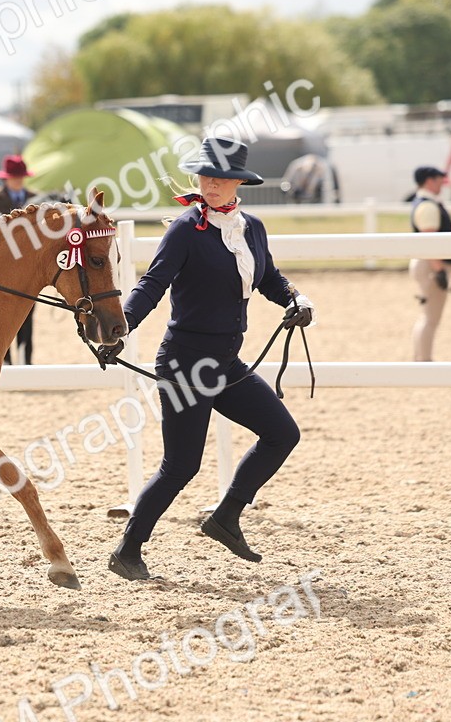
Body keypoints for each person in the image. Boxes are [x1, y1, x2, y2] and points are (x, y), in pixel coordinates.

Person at [107, 137, 317, 582]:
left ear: (238, 181)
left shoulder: (251, 228)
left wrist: (294, 299)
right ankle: (127, 550)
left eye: (221, 177)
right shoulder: (185, 229)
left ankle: (226, 517)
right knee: (181, 466)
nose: (212, 184)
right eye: (206, 176)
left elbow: (269, 278)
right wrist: (120, 327)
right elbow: (152, 284)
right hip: (186, 363)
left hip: (226, 362)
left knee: (282, 433)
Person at [0, 154, 36, 365]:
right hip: (3, 268)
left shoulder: (35, 199)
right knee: (4, 317)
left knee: (28, 315)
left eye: (20, 176)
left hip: (29, 268)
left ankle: (28, 361)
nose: (18, 180)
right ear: (6, 178)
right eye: (15, 176)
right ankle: (7, 362)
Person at [408, 165, 451, 361]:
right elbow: (429, 240)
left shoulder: (427, 203)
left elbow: (436, 232)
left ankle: (420, 357)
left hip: (427, 264)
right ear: (430, 181)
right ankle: (424, 360)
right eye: (439, 179)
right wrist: (439, 269)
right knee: (431, 318)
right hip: (432, 265)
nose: (442, 182)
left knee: (427, 315)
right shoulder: (429, 206)